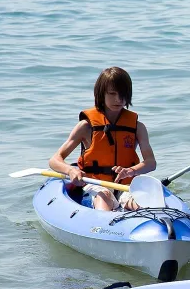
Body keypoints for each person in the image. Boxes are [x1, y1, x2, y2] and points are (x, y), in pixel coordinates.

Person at [49, 67, 156, 211]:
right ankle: (105, 228)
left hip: (125, 185)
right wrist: (70, 171)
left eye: (123, 94)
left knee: (142, 204)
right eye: (112, 94)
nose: (118, 99)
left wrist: (131, 170)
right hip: (95, 184)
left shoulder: (138, 127)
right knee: (104, 196)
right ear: (101, 94)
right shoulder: (86, 127)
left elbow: (150, 163)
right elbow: (55, 160)